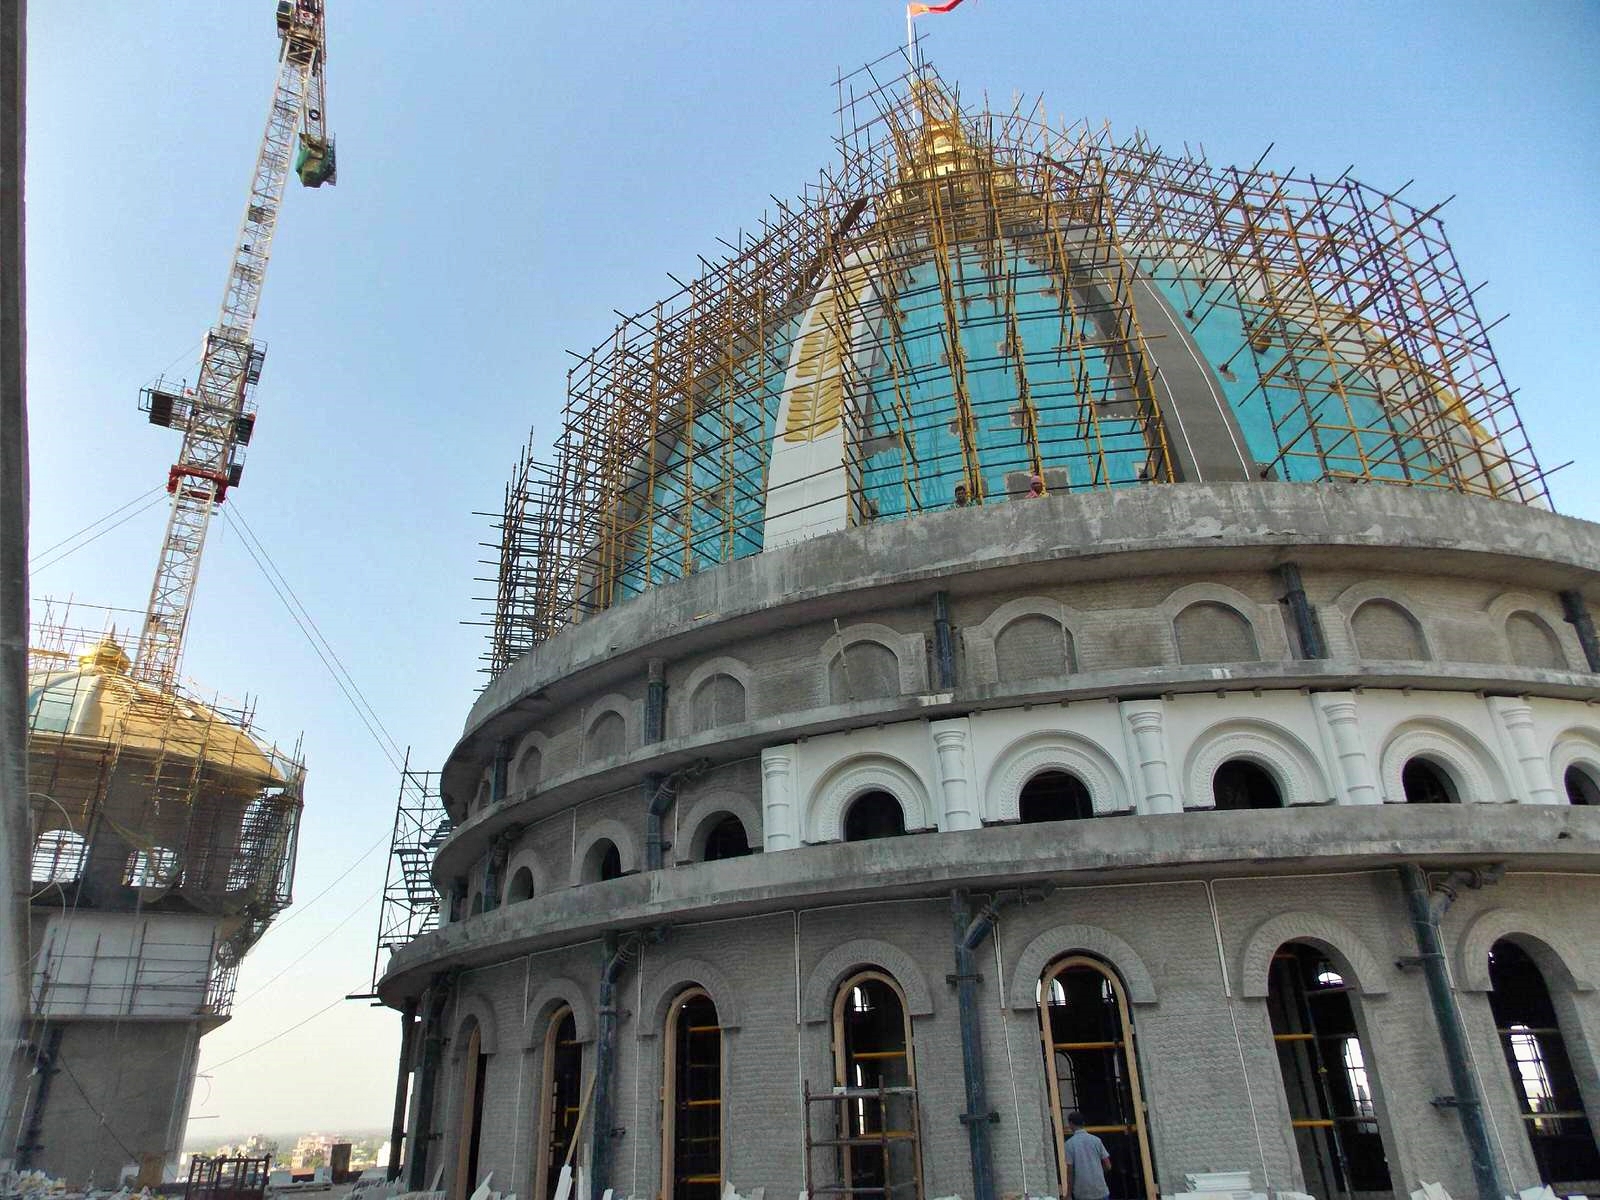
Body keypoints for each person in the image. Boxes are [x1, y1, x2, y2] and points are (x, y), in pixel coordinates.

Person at [1062, 1112, 1112, 1200]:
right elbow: (1108, 1165)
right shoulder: (1096, 1140)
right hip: (1101, 1189)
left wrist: (1069, 1194)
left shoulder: (1069, 1144)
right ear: (1083, 1123)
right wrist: (1098, 1172)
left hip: (1082, 1192)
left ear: (1071, 1124)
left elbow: (1070, 1171)